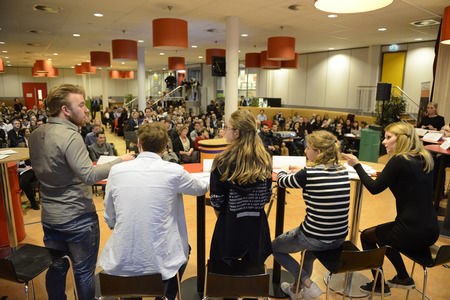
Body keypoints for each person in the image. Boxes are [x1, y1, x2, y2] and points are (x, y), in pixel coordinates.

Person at [29, 84, 135, 300]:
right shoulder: (70, 136)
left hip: (50, 217)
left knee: (57, 267)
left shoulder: (36, 134)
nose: (87, 110)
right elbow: (88, 176)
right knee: (84, 271)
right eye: (80, 105)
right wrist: (119, 161)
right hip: (77, 217)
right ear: (65, 110)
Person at [98, 122, 209, 300]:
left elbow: (109, 215)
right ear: (165, 147)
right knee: (183, 250)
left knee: (131, 273)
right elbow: (201, 188)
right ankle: (166, 296)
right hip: (161, 262)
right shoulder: (174, 172)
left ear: (139, 142)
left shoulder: (116, 171)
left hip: (123, 259)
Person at [342, 121, 439, 296]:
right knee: (386, 236)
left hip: (411, 230)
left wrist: (356, 165)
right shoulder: (425, 157)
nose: (384, 142)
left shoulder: (399, 160)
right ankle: (403, 277)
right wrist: (387, 176)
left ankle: (379, 285)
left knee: (367, 236)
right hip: (431, 230)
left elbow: (374, 188)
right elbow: (411, 183)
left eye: (388, 137)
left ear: (400, 139)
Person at [272, 130, 350, 300]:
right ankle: (295, 289)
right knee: (307, 255)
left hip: (316, 237)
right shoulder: (342, 170)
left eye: (308, 148)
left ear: (319, 152)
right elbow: (318, 173)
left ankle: (307, 283)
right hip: (339, 237)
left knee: (275, 248)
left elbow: (282, 181)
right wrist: (303, 169)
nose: (305, 152)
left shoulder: (308, 174)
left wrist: (283, 170)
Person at [209, 109, 273, 265]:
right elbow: (266, 196)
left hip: (229, 227)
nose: (224, 131)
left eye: (227, 127)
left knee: (226, 269)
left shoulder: (222, 161)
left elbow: (217, 201)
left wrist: (228, 218)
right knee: (252, 269)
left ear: (237, 133)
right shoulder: (265, 159)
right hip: (257, 228)